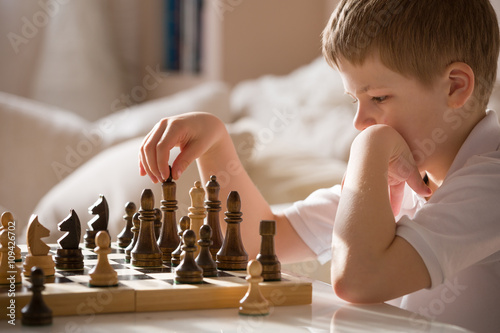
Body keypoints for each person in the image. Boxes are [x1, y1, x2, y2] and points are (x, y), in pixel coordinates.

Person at [139, 0, 500, 331]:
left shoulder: (490, 182)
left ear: (455, 87)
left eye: (378, 98)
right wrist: (215, 143)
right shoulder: (404, 174)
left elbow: (361, 281)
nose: (360, 122)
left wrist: (369, 148)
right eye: (354, 100)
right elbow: (258, 242)